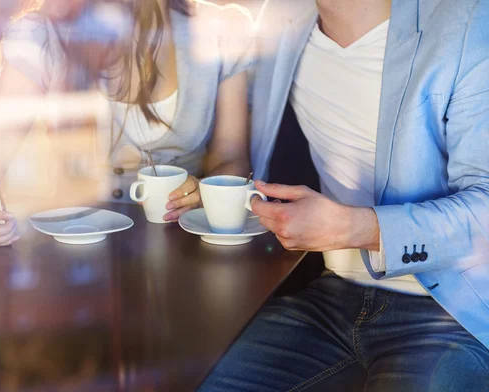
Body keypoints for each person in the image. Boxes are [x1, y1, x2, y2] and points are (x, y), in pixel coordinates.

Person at [200, 0, 489, 390]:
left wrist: (356, 228)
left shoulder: (468, 21)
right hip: (328, 298)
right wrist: (210, 188)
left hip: (450, 312)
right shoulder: (282, 25)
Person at [0, 0, 256, 247]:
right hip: (77, 247)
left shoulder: (221, 29)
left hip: (187, 243)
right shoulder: (43, 33)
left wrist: (207, 191)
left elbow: (232, 155)